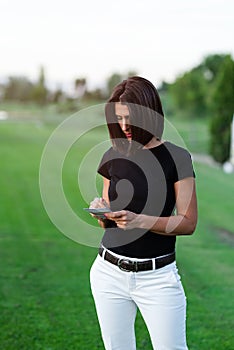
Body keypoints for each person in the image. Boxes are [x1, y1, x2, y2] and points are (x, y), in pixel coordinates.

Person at [89, 76, 198, 350]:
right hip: (108, 273)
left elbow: (188, 222)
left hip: (158, 279)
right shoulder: (111, 155)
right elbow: (110, 223)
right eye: (119, 119)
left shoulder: (177, 158)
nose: (124, 126)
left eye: (130, 118)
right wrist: (103, 212)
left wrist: (140, 220)